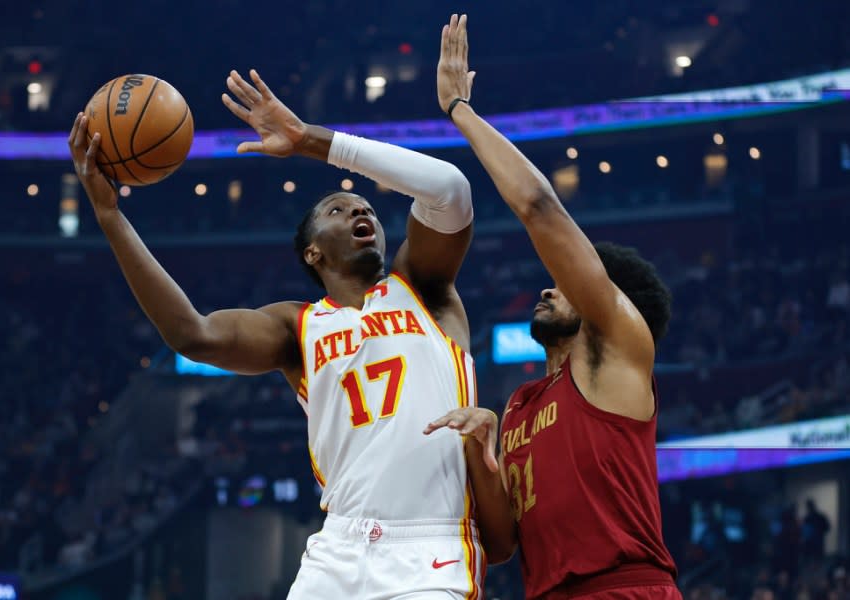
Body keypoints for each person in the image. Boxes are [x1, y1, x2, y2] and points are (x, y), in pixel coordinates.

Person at [68, 67, 485, 598]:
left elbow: (450, 190)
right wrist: (110, 217)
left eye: (367, 208)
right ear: (314, 251)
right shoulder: (297, 326)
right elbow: (191, 334)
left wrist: (311, 141)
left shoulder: (424, 290)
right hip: (338, 548)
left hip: (426, 547)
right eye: (338, 208)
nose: (359, 208)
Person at [425, 14, 681, 599]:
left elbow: (540, 207)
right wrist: (481, 453)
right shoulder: (518, 404)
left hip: (623, 587)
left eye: (564, 284)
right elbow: (504, 543)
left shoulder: (616, 346)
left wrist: (459, 110)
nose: (547, 287)